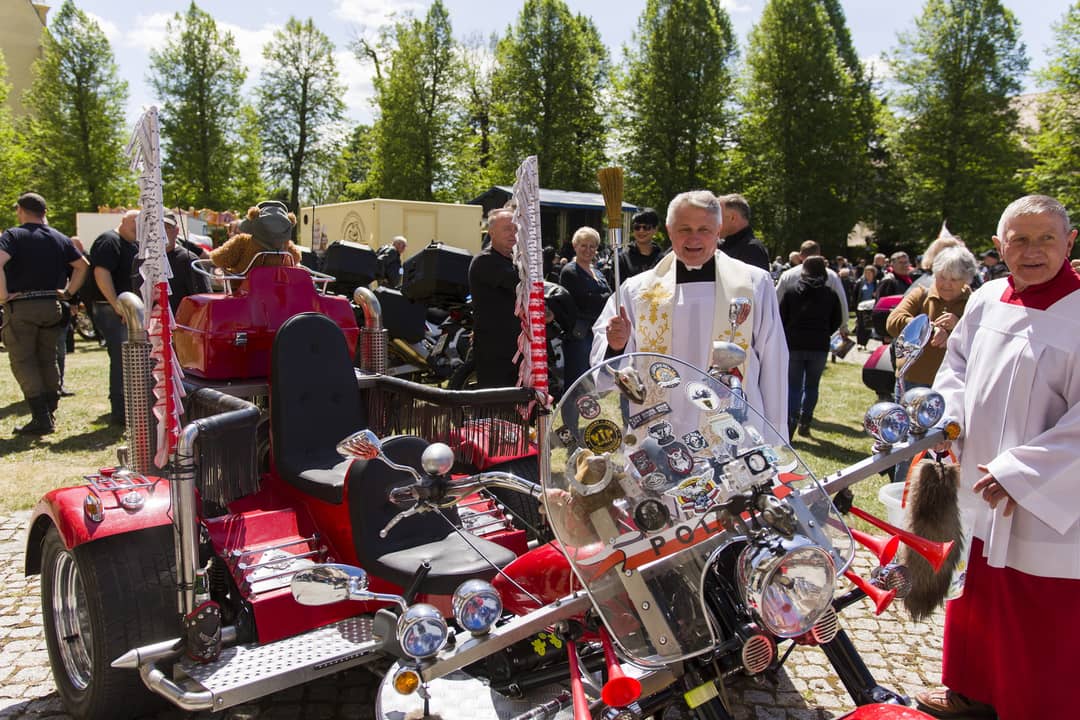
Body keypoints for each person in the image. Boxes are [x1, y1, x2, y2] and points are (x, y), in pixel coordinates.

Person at [914, 195, 1080, 720]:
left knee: (1039, 610)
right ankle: (971, 690)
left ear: (1070, 242)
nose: (1033, 251)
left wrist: (1021, 473)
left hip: (1048, 499)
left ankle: (1032, 706)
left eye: (1046, 238)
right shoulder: (986, 298)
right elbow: (956, 366)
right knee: (975, 594)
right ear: (998, 246)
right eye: (1019, 239)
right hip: (977, 482)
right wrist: (948, 421)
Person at [592, 190, 788, 439]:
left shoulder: (754, 284)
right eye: (684, 229)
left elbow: (774, 360)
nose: (693, 238)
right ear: (669, 230)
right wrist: (616, 346)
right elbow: (607, 371)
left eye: (704, 229)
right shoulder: (637, 290)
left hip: (732, 431)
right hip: (660, 430)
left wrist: (775, 437)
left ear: (718, 230)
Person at [886, 245, 977, 484]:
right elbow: (893, 321)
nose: (946, 284)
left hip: (954, 389)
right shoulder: (921, 294)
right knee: (907, 446)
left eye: (954, 279)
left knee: (945, 449)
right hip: (914, 384)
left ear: (966, 280)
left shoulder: (975, 303)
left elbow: (984, 340)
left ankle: (934, 496)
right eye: (942, 277)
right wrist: (928, 327)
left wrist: (958, 326)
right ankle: (902, 492)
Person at [0, 192, 88, 435]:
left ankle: (41, 418)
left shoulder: (13, 235)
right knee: (48, 359)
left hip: (22, 306)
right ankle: (50, 411)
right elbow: (82, 266)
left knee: (23, 361)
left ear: (20, 210)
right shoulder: (59, 237)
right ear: (44, 212)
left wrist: (2, 295)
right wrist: (68, 293)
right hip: (52, 305)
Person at [779, 256, 842, 438]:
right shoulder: (830, 294)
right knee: (812, 386)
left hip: (794, 344)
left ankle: (790, 423)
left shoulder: (791, 292)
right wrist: (824, 331)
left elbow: (781, 318)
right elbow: (836, 320)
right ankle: (805, 421)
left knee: (793, 386)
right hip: (819, 345)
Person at [89, 209, 139, 425]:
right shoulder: (109, 241)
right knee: (122, 359)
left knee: (130, 359)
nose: (138, 228)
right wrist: (116, 304)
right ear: (124, 221)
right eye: (135, 223)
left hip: (125, 309)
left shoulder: (132, 244)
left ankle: (128, 406)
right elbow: (101, 273)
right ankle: (120, 410)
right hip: (113, 310)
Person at [469, 208, 520, 388]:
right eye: (507, 229)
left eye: (515, 228)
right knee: (496, 401)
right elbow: (518, 283)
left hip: (515, 346)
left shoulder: (513, 260)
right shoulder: (485, 261)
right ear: (491, 233)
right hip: (494, 350)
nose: (513, 233)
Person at [559, 227, 611, 401]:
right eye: (583, 245)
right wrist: (602, 299)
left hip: (598, 333)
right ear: (575, 246)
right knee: (576, 382)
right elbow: (581, 301)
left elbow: (608, 297)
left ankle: (588, 415)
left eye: (592, 246)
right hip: (579, 335)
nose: (588, 250)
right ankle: (570, 416)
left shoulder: (598, 272)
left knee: (592, 382)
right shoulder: (569, 271)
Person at [132, 210, 212, 314]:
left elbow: (204, 300)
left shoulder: (187, 259)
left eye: (166, 227)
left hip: (179, 322)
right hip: (147, 322)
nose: (161, 232)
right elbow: (136, 297)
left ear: (176, 231)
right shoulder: (140, 259)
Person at [775, 240, 850, 335]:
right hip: (821, 330)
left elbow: (776, 300)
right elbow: (841, 301)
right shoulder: (831, 276)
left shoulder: (788, 275)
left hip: (793, 331)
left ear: (800, 256)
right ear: (819, 255)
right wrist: (843, 326)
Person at [209, 201, 302, 276]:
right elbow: (297, 258)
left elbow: (218, 259)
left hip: (243, 286)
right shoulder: (287, 245)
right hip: (277, 287)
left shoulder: (243, 241)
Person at [717, 194, 770, 271]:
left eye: (717, 217)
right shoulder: (722, 245)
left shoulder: (752, 249)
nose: (713, 222)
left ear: (733, 218)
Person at [617, 208, 664, 280]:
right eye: (637, 227)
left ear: (655, 229)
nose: (641, 231)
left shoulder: (662, 259)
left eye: (646, 227)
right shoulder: (622, 259)